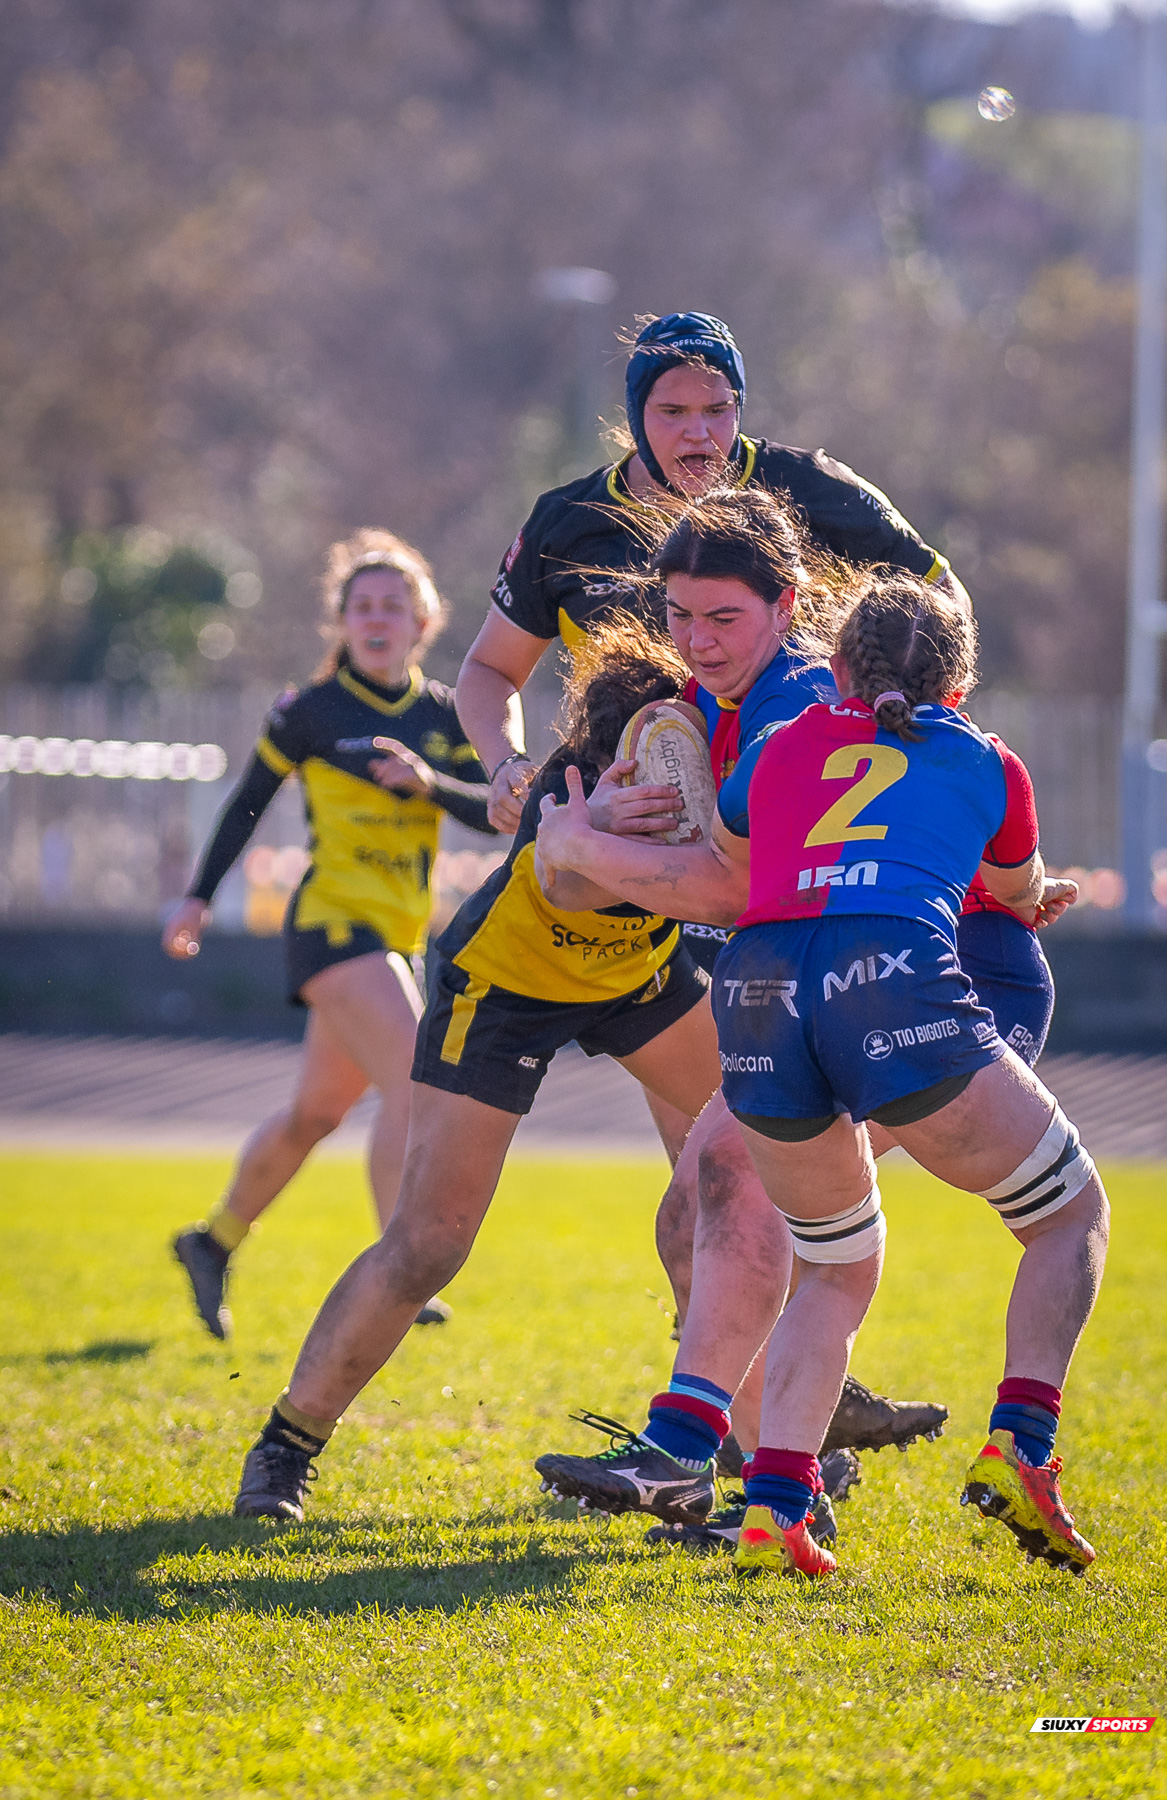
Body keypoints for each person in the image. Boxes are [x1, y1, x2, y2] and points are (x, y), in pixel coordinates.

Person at [455, 308, 969, 1450]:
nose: (697, 430)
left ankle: (745, 1436)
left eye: (718, 406)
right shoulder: (569, 521)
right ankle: (776, 1417)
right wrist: (507, 769)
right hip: (655, 892)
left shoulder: (800, 494)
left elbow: (943, 606)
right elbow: (487, 673)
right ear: (633, 411)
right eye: (672, 408)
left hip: (772, 887)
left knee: (722, 1183)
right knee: (709, 1188)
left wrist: (894, 728)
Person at [537, 564, 1107, 1580]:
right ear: (959, 685)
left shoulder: (782, 741)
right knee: (1067, 1215)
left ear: (833, 663)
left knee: (836, 1264)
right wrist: (1034, 888)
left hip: (756, 990)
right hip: (891, 978)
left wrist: (584, 845)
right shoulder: (988, 761)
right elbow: (1014, 891)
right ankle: (1020, 1442)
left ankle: (772, 1505)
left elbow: (733, 855)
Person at [228, 620, 726, 1520]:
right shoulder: (564, 790)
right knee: (428, 1245)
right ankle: (285, 1445)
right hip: (502, 995)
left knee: (737, 1174)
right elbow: (572, 885)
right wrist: (596, 833)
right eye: (657, 755)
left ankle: (722, 1448)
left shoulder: (712, 753)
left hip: (640, 978)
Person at [164, 530, 494, 1340]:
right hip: (331, 927)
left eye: (394, 606)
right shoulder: (311, 711)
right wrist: (197, 899)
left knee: (315, 1114)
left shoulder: (446, 715)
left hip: (400, 935)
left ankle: (212, 1242)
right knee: (417, 1085)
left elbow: (500, 812)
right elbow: (248, 803)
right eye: (362, 606)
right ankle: (402, 1262)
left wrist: (433, 785)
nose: (376, 619)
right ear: (341, 621)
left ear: (424, 620)